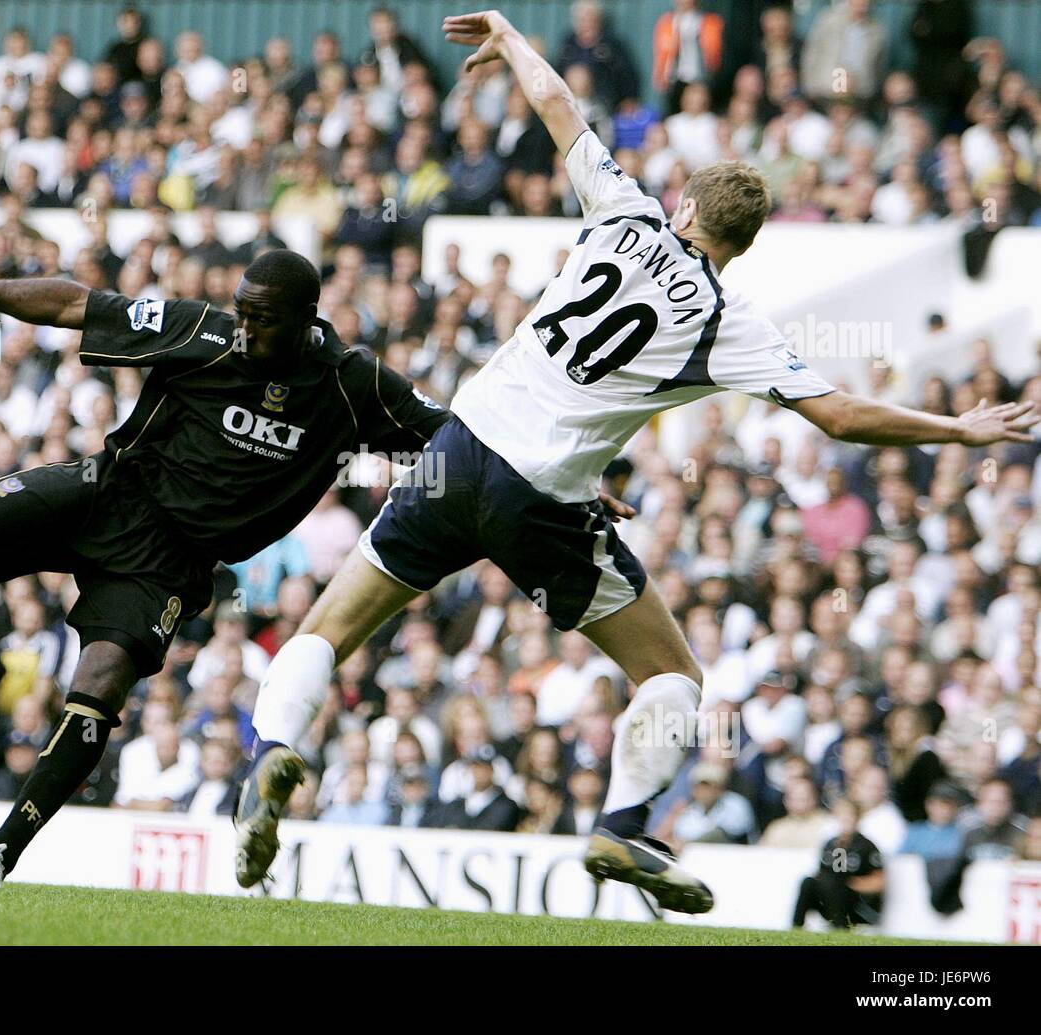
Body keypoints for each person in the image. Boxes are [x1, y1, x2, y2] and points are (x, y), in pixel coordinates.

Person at [232, 9, 1040, 914]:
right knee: (672, 676)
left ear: (686, 208)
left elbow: (559, 105)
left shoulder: (622, 211)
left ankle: (268, 756)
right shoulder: (727, 322)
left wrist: (510, 36)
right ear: (741, 245)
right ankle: (622, 822)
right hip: (545, 501)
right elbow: (842, 417)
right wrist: (960, 430)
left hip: (458, 451)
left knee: (328, 631)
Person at [0, 249, 448, 885]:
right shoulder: (203, 331)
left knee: (100, 687)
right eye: (241, 314)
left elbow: (451, 440)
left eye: (263, 320)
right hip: (106, 492)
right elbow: (71, 303)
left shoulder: (353, 384)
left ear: (307, 318)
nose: (246, 330)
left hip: (168, 564)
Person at [792, 797, 885, 929]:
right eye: (842, 816)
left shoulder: (866, 847)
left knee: (836, 884)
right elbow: (821, 873)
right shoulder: (830, 844)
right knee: (808, 882)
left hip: (855, 903)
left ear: (857, 818)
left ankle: (841, 926)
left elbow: (879, 881)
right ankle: (796, 926)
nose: (845, 820)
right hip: (830, 898)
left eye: (849, 816)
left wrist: (850, 883)